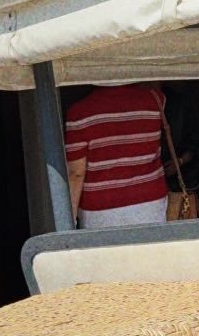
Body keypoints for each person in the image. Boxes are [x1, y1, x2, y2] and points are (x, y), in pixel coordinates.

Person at [65, 82, 169, 230]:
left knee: (106, 253)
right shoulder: (155, 100)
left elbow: (76, 173)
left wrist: (68, 221)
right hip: (150, 201)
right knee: (149, 251)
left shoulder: (79, 113)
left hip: (101, 208)